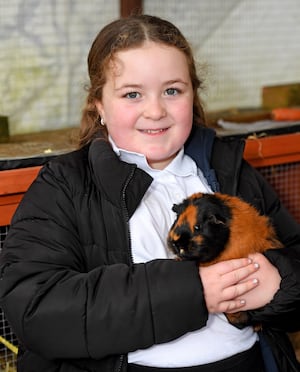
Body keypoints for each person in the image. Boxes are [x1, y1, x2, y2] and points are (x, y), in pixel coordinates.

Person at [0, 14, 300, 372]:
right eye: (132, 94)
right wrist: (193, 292)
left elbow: (294, 258)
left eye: (172, 90)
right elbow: (36, 309)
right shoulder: (65, 185)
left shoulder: (227, 168)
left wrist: (280, 284)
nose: (156, 110)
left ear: (193, 93)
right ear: (99, 105)